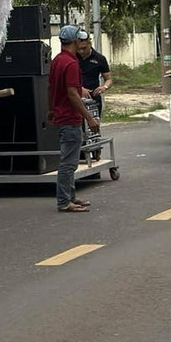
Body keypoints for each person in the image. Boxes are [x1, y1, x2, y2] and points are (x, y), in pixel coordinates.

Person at [48, 25, 101, 213]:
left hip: (62, 115)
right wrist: (90, 118)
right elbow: (72, 94)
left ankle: (70, 196)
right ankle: (64, 201)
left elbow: (53, 87)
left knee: (69, 162)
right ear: (77, 41)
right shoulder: (71, 64)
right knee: (68, 163)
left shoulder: (57, 61)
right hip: (70, 118)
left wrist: (51, 109)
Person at [75, 30, 112, 119]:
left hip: (93, 98)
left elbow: (108, 79)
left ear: (90, 43)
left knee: (93, 126)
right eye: (78, 48)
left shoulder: (100, 58)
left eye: (84, 48)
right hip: (76, 97)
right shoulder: (72, 57)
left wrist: (104, 87)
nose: (81, 51)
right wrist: (80, 88)